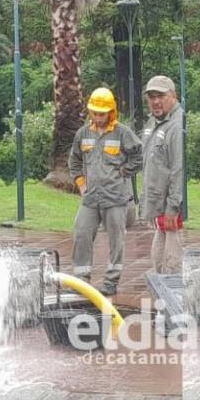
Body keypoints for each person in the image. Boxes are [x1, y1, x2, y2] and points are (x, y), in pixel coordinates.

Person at [69, 87, 142, 296]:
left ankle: (111, 282)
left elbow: (138, 156)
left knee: (116, 241)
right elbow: (74, 160)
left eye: (102, 113)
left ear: (111, 111)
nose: (98, 117)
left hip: (115, 198)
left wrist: (124, 171)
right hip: (91, 197)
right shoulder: (83, 134)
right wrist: (81, 184)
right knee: (81, 232)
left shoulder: (122, 133)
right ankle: (81, 279)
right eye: (94, 113)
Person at [142, 75, 184, 274]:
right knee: (158, 263)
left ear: (173, 96)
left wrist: (173, 207)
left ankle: (173, 298)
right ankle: (161, 296)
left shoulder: (177, 125)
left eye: (161, 96)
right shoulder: (153, 122)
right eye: (151, 97)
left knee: (171, 264)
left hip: (169, 208)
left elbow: (178, 169)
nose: (156, 101)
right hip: (157, 204)